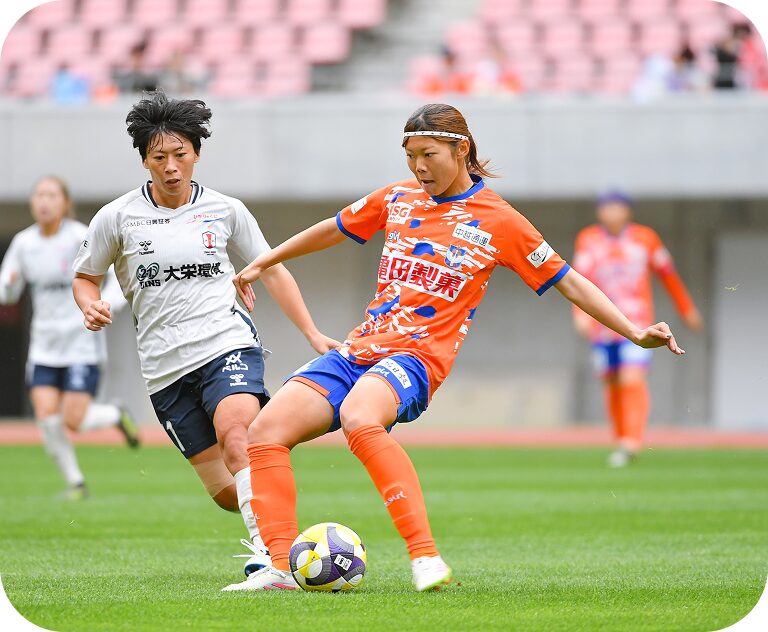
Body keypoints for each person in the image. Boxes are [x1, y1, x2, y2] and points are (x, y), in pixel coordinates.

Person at [221, 103, 686, 593]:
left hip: (417, 358)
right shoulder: (397, 197)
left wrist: (634, 331)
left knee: (360, 416)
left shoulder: (500, 220)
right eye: (410, 156)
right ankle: (281, 568)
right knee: (264, 432)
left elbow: (569, 281)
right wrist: (264, 261)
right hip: (359, 349)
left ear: (461, 149)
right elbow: (333, 228)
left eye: (429, 155)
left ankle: (425, 557)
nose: (418, 167)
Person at [71, 91, 338, 575]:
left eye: (180, 154)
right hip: (164, 368)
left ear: (197, 153)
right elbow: (85, 276)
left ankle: (274, 561)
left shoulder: (225, 210)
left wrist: (312, 333)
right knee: (225, 493)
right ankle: (277, 513)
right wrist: (90, 305)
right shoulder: (116, 217)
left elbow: (272, 269)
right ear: (144, 160)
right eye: (159, 157)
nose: (171, 166)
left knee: (239, 439)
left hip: (226, 343)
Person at [0, 176, 139, 500]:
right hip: (44, 346)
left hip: (81, 342)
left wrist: (105, 305)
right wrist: (10, 284)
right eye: (39, 195)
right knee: (47, 417)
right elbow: (8, 292)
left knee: (74, 421)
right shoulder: (24, 243)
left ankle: (115, 415)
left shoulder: (80, 236)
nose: (44, 202)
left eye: (51, 195)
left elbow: (118, 275)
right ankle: (76, 483)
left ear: (64, 203)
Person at [572, 190, 703, 468]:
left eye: (617, 207)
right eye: (606, 207)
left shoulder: (646, 239)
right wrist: (579, 313)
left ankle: (632, 441)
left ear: (628, 211)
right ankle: (621, 439)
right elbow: (577, 279)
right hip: (603, 324)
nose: (611, 213)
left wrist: (686, 308)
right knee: (611, 381)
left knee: (632, 377)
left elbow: (668, 275)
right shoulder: (588, 240)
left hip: (638, 323)